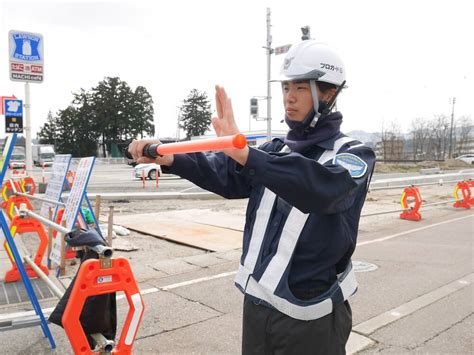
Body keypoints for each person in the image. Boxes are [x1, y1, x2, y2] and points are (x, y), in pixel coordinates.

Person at [128, 39, 375, 355]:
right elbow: (228, 176)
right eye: (286, 88)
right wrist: (170, 157)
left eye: (300, 88)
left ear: (327, 94)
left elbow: (322, 189)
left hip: (310, 314)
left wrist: (247, 155)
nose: (289, 97)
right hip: (258, 305)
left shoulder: (353, 155)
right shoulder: (276, 150)